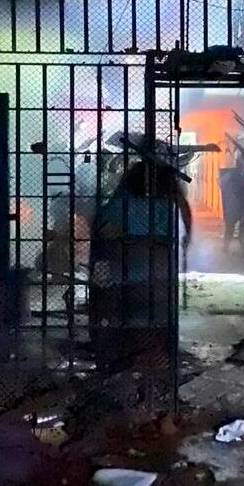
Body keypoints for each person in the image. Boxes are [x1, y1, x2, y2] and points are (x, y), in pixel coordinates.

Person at [89, 155, 192, 371]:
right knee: (157, 318)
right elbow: (180, 224)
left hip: (122, 271)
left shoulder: (121, 202)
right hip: (158, 271)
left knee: (120, 318)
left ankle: (120, 360)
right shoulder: (168, 204)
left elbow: (103, 230)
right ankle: (157, 359)